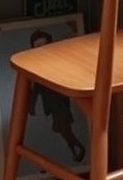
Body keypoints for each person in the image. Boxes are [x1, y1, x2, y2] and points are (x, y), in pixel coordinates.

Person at [28, 29, 86, 163]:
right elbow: (36, 87)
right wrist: (31, 104)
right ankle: (75, 151)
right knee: (63, 129)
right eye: (37, 46)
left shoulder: (56, 61)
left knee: (64, 128)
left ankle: (79, 148)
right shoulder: (36, 66)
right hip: (52, 104)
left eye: (44, 44)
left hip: (59, 102)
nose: (41, 48)